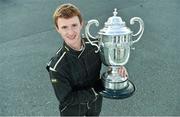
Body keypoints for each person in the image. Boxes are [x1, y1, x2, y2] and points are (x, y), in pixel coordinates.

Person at [46, 3, 128, 116]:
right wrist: (94, 90)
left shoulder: (96, 45)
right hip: (73, 111)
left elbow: (110, 56)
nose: (70, 32)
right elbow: (66, 99)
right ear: (57, 29)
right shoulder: (57, 67)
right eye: (64, 27)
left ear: (81, 24)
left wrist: (117, 65)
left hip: (95, 103)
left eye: (74, 25)